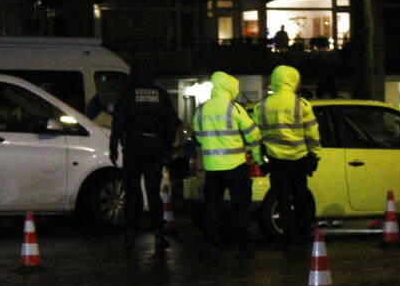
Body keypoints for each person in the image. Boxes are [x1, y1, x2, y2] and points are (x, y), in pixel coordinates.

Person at [110, 65, 180, 256]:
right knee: (153, 193)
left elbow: (117, 122)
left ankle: (130, 234)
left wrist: (113, 147)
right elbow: (172, 123)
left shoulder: (128, 94)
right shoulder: (161, 95)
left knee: (132, 193)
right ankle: (158, 234)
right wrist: (167, 148)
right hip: (154, 150)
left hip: (133, 149)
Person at [193, 71, 264, 259]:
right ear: (230, 87)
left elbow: (199, 137)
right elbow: (253, 135)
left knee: (212, 208)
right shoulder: (234, 108)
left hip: (212, 169)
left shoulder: (201, 109)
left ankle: (212, 245)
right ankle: (241, 246)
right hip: (235, 166)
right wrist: (258, 159)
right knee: (240, 207)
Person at [252, 65, 321, 248]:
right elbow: (313, 134)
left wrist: (260, 161)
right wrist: (315, 156)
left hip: (275, 161)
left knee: (282, 199)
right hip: (298, 159)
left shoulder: (262, 106)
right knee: (300, 197)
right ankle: (302, 234)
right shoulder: (302, 104)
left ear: (275, 80)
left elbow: (255, 138)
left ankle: (289, 237)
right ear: (294, 80)